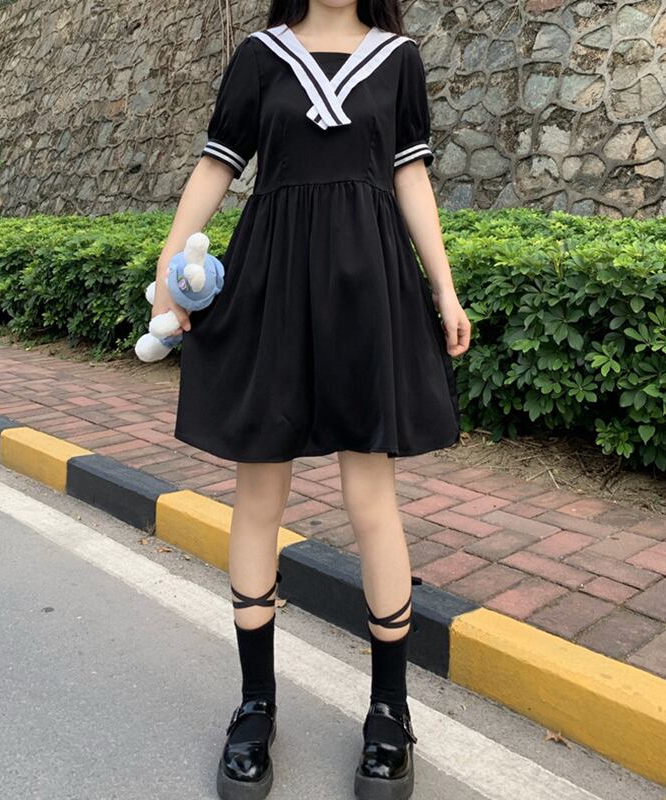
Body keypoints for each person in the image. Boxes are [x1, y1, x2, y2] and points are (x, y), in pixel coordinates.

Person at [153, 1, 471, 798]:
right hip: (274, 284)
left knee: (372, 501)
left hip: (369, 289)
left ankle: (390, 712)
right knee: (259, 495)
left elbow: (409, 175)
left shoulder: (397, 58)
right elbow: (217, 164)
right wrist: (167, 264)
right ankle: (255, 706)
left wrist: (444, 287)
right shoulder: (261, 56)